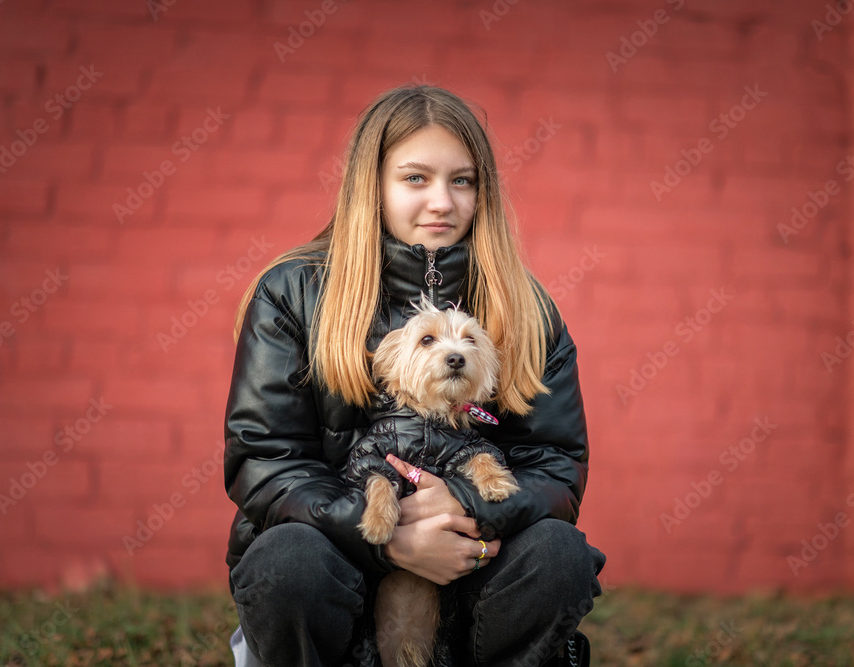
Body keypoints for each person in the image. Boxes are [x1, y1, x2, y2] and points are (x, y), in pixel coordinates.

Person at [223, 84, 605, 667]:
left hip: (471, 564)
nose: (442, 202)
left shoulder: (528, 308)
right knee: (287, 561)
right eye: (416, 178)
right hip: (336, 559)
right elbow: (264, 458)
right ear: (372, 185)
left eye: (463, 180)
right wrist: (387, 537)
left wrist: (464, 509)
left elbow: (555, 464)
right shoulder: (292, 292)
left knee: (558, 555)